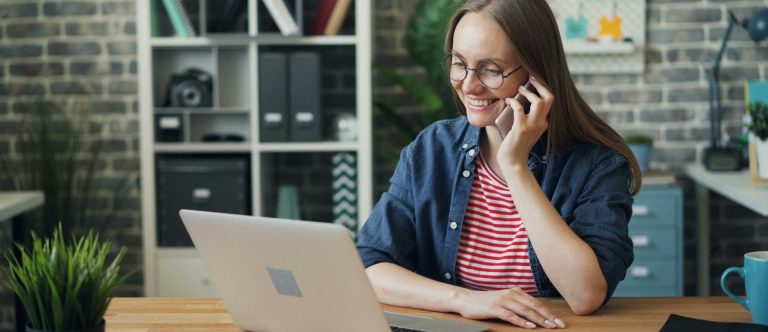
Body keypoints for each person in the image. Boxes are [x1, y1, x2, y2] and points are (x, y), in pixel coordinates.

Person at [356, 0, 642, 329]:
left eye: (491, 69)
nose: (469, 85)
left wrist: (515, 165)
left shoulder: (597, 163)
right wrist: (465, 300)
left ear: (536, 75)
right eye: (459, 63)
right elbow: (370, 266)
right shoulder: (431, 149)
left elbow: (585, 295)